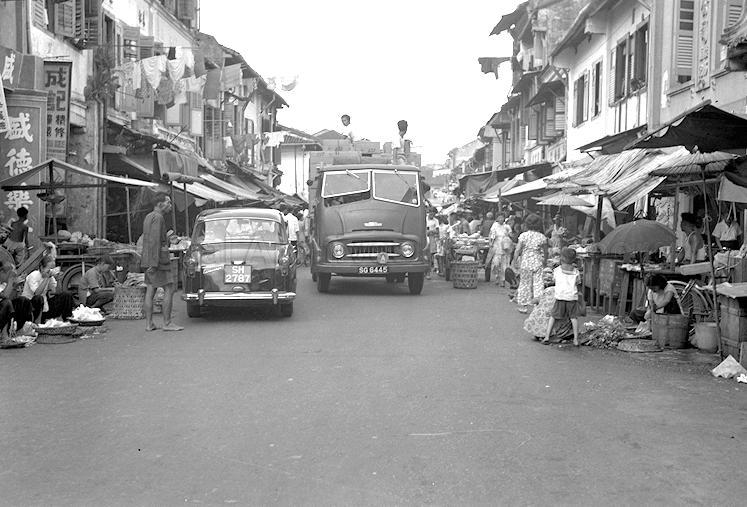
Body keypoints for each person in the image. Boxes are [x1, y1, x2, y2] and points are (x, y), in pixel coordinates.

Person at [141, 193, 183, 332]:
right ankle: (167, 322)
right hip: (158, 260)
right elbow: (154, 242)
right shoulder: (158, 218)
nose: (170, 206)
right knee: (169, 289)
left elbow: (152, 239)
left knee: (150, 289)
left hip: (149, 258)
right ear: (160, 204)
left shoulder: (149, 217)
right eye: (168, 203)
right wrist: (154, 264)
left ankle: (149, 324)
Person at [21, 255, 73, 325]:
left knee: (66, 295)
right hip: (31, 308)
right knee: (39, 298)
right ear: (42, 268)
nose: (51, 271)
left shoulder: (49, 276)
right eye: (49, 269)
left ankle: (67, 321)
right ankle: (37, 323)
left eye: (52, 269)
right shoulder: (33, 275)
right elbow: (37, 293)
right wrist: (46, 278)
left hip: (45, 307)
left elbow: (57, 292)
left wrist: (58, 279)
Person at [545, 248, 581, 346]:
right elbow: (578, 282)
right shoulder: (576, 272)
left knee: (553, 316)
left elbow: (554, 280)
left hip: (560, 296)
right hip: (571, 297)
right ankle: (576, 339)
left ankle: (547, 336)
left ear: (562, 258)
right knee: (573, 318)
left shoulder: (557, 270)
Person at [514, 214, 548, 313]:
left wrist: (515, 260)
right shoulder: (542, 237)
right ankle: (537, 305)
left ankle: (523, 306)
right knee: (538, 284)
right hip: (537, 262)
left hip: (525, 262)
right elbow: (546, 251)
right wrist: (545, 260)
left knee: (524, 283)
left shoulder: (523, 235)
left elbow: (518, 250)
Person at [488, 214, 512, 286]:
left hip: (505, 248)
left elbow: (511, 235)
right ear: (497, 218)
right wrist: (490, 243)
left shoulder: (507, 226)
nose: (501, 219)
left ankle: (503, 280)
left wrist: (509, 235)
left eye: (502, 217)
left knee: (504, 265)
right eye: (499, 217)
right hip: (496, 247)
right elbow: (491, 236)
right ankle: (497, 276)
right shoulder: (494, 226)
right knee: (496, 264)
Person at [425, 210, 439, 279]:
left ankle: (428, 272)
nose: (432, 215)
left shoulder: (436, 221)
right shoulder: (424, 219)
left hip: (432, 239)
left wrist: (430, 231)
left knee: (429, 256)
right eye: (431, 213)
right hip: (424, 238)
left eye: (433, 214)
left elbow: (437, 231)